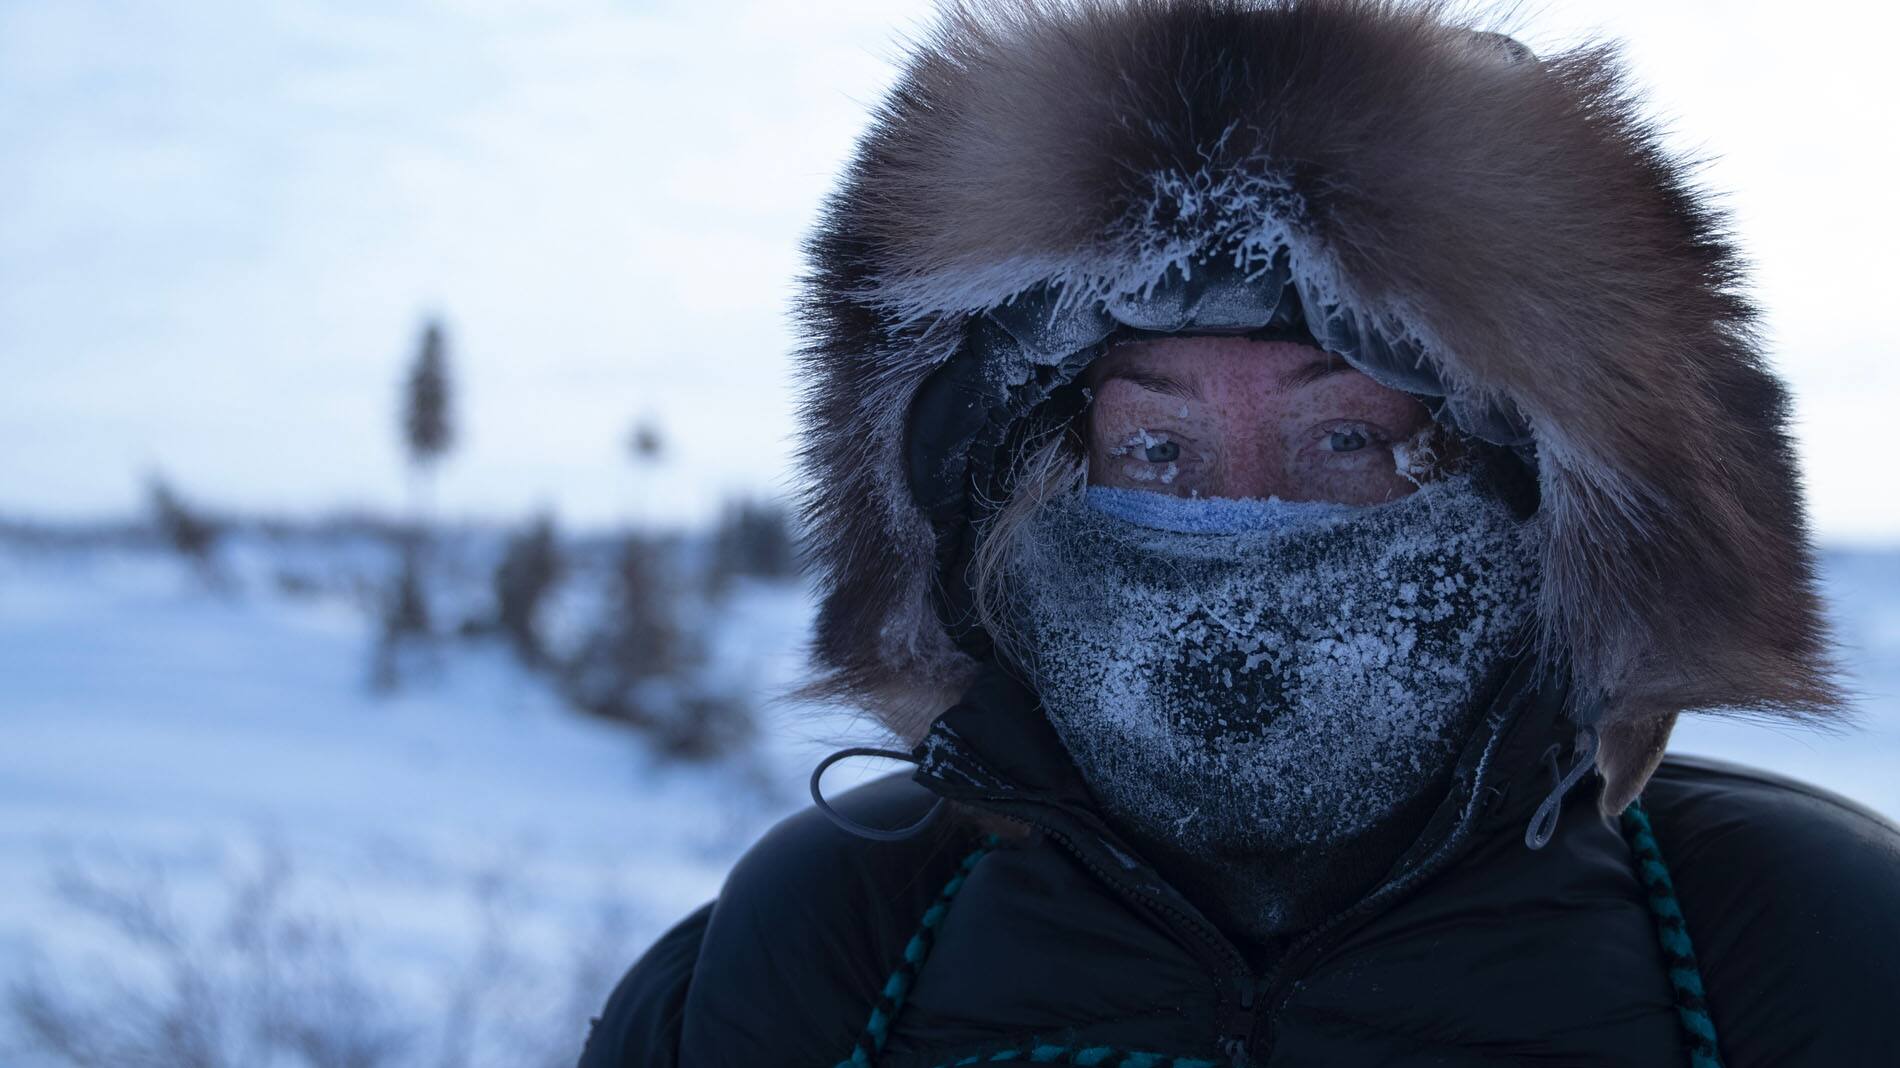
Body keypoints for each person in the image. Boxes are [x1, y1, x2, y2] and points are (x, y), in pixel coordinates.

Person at [580, 2, 1900, 1065]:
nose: (1240, 523)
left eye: (1347, 442)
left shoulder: (1796, 947)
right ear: (1009, 493)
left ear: (1545, 512)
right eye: (1154, 450)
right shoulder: (834, 941)